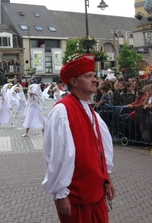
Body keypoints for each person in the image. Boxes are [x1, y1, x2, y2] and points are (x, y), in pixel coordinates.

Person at [42, 56, 115, 223]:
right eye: (88, 76)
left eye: (93, 75)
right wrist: (60, 193)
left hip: (96, 192)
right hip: (76, 196)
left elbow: (100, 149)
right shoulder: (62, 111)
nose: (95, 80)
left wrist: (106, 178)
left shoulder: (90, 111)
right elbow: (57, 155)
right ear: (74, 82)